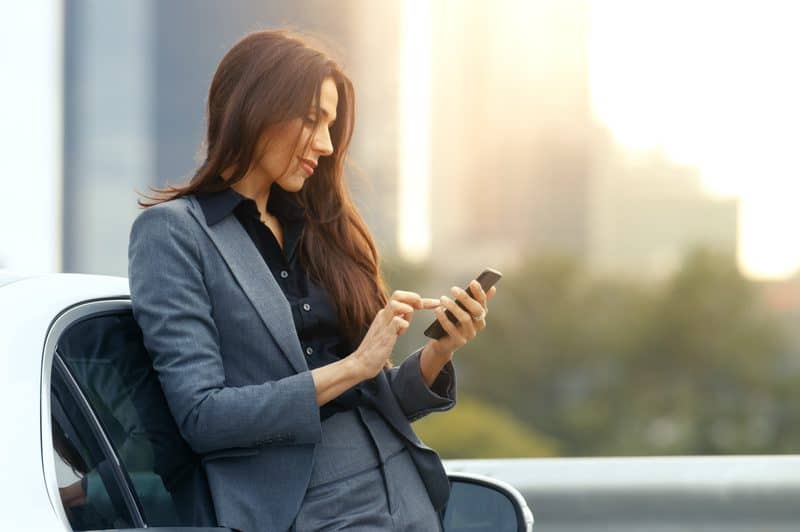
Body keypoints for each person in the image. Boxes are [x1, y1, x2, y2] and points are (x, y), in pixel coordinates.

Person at [128, 29, 497, 532]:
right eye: (312, 120)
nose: (325, 145)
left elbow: (371, 400)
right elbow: (202, 417)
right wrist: (354, 366)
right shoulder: (175, 233)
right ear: (256, 108)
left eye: (331, 125)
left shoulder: (323, 228)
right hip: (304, 510)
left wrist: (438, 352)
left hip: (405, 492)